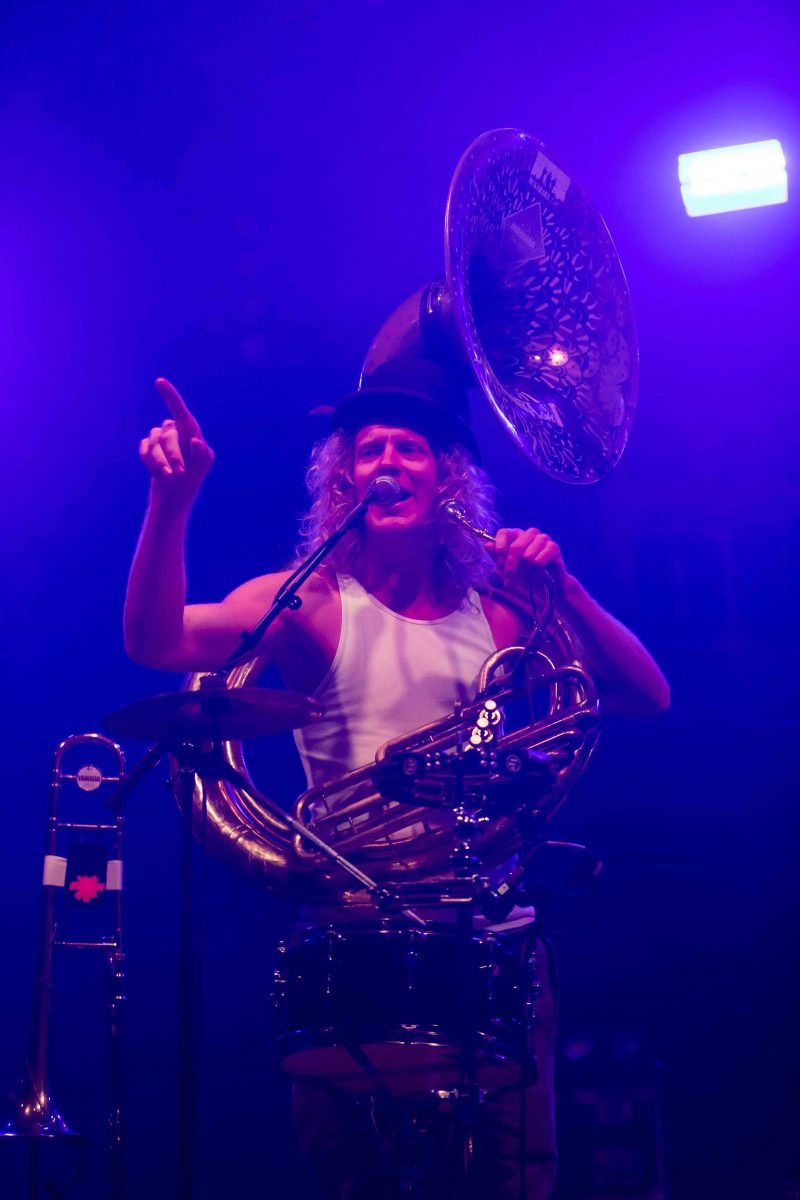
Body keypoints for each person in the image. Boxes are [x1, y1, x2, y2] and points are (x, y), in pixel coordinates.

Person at [124, 355, 670, 1199]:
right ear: (344, 482)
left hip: (494, 939)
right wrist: (173, 500)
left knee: (513, 1184)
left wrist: (566, 590)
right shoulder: (309, 603)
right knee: (363, 1182)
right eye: (369, 450)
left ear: (447, 480)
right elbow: (156, 642)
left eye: (410, 449)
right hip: (355, 935)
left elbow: (646, 696)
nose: (387, 462)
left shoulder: (501, 610)